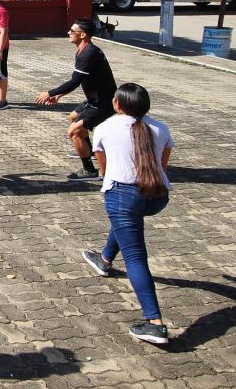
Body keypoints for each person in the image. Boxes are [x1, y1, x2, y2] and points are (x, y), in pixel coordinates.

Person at [80, 83, 174, 345]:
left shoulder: (106, 127)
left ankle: (154, 323)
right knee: (126, 224)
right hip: (157, 196)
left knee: (135, 257)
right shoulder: (160, 128)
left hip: (123, 195)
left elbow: (103, 165)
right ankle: (104, 259)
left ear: (118, 104)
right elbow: (162, 166)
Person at [34, 19, 118, 181]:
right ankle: (90, 151)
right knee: (73, 117)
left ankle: (90, 171)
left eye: (72, 31)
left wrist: (50, 93)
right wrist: (58, 95)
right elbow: (78, 79)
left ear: (83, 35)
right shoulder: (83, 49)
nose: (69, 33)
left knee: (74, 131)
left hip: (104, 102)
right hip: (95, 99)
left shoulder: (88, 53)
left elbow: (74, 81)